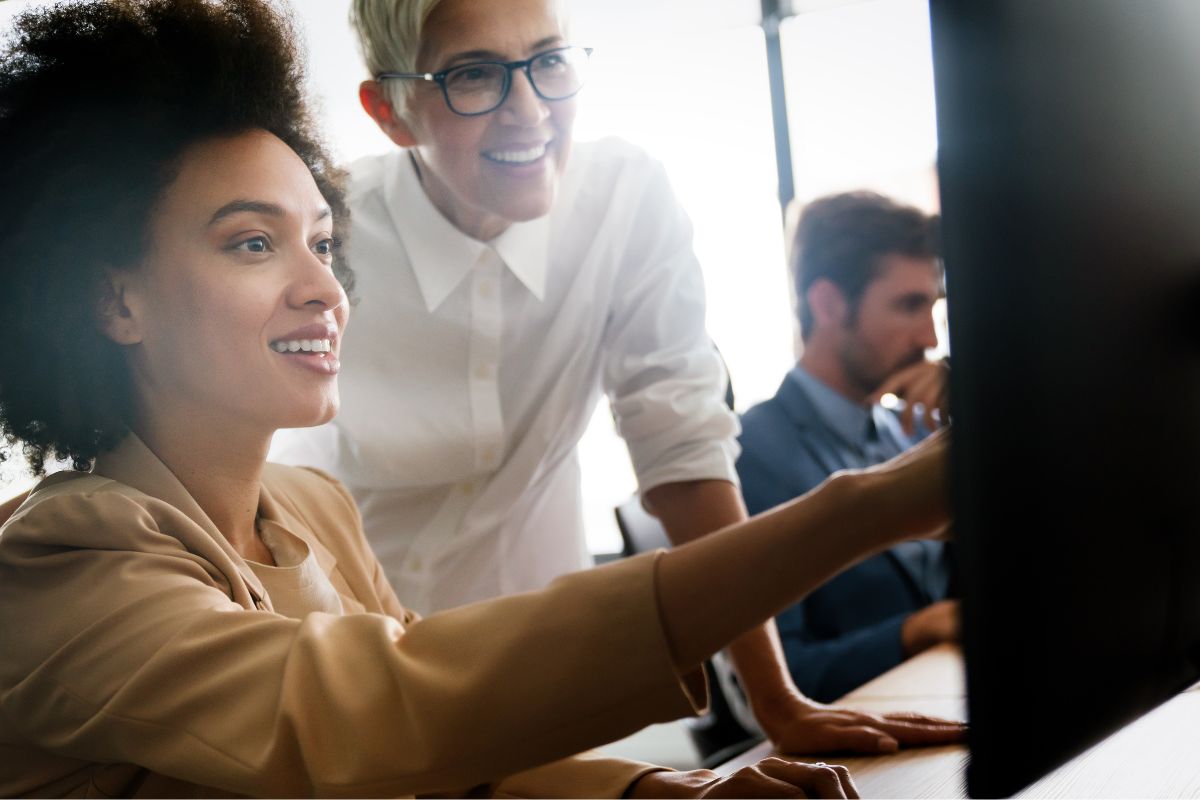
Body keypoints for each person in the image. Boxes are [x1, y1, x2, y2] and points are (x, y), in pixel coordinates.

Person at [0, 1, 957, 797]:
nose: (328, 289)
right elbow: (383, 713)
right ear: (113, 299)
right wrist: (864, 508)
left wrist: (664, 792)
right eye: (254, 243)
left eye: (323, 245)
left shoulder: (310, 511)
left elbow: (454, 768)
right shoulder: (59, 564)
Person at [269, 0, 965, 756]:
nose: (528, 112)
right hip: (362, 682)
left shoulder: (623, 202)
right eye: (474, 75)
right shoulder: (326, 241)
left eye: (548, 61)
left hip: (543, 681)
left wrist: (777, 701)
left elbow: (682, 452)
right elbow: (281, 490)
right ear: (390, 111)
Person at [736, 191, 958, 703]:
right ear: (829, 304)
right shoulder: (754, 453)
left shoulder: (910, 432)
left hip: (941, 700)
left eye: (934, 307)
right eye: (908, 305)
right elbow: (780, 678)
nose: (929, 336)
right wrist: (917, 628)